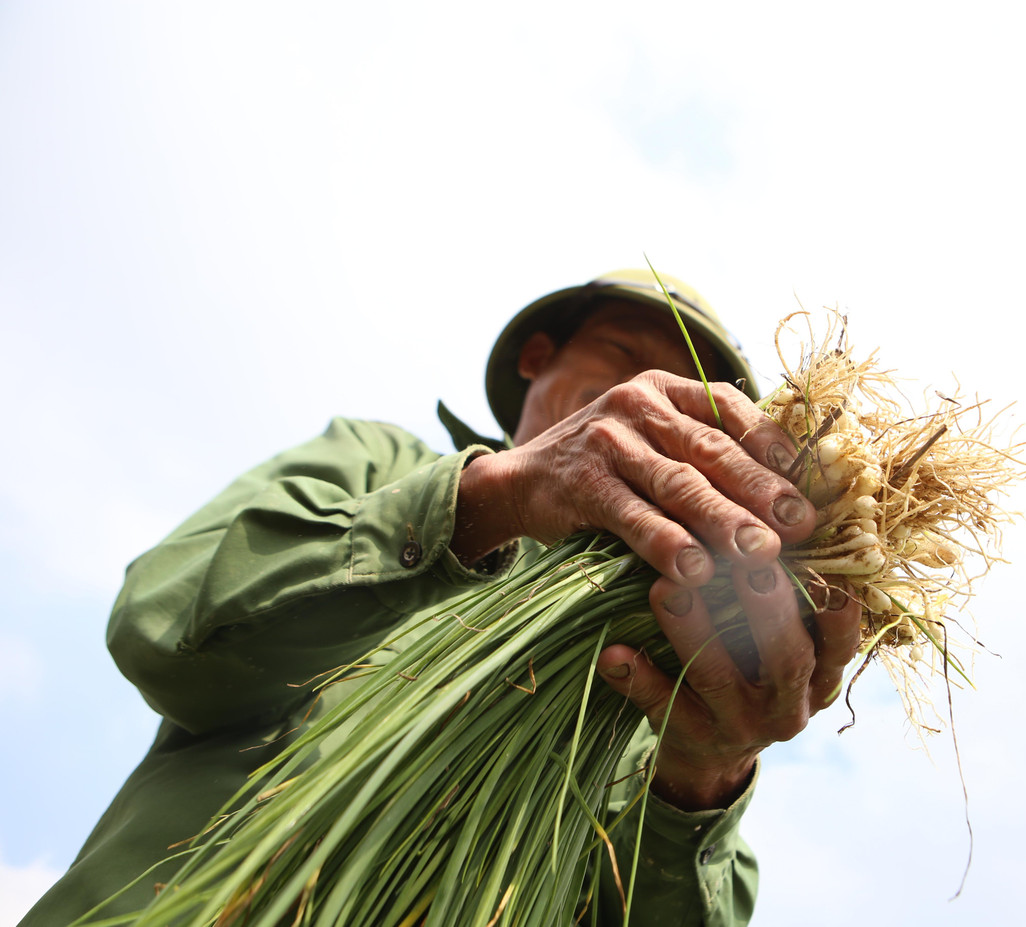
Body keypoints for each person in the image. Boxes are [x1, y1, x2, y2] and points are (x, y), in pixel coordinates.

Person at [19, 269, 862, 927]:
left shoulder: (663, 659)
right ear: (540, 356)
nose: (657, 407)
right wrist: (492, 500)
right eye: (633, 361)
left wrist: (706, 774)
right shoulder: (378, 465)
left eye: (691, 395)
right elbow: (160, 622)